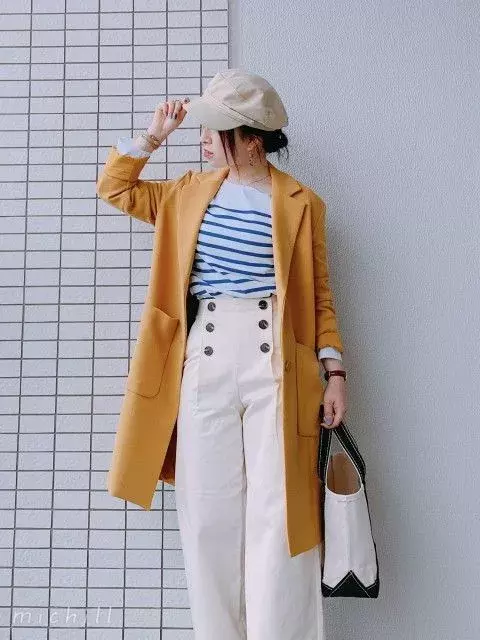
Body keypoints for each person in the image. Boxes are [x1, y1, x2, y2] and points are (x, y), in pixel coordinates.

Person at [102, 68, 347, 640]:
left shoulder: (301, 203)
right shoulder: (187, 191)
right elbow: (115, 189)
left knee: (279, 513)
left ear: (251, 140)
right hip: (204, 359)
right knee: (208, 514)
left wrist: (335, 372)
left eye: (214, 130)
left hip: (275, 364)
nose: (203, 139)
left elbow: (320, 296)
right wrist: (152, 137)